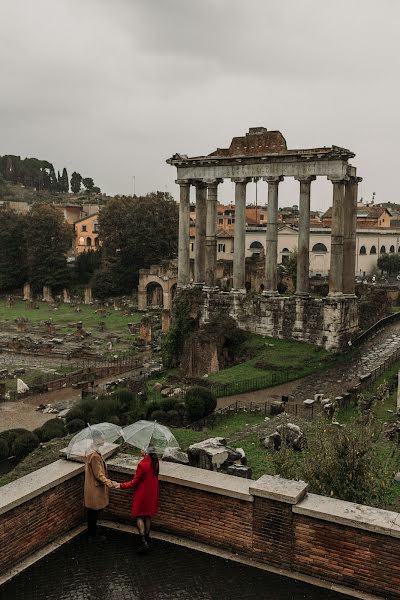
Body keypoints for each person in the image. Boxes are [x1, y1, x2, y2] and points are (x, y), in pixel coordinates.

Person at [116, 447, 159, 553]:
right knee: (148, 515)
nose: (140, 450)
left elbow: (134, 482)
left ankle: (143, 542)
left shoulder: (142, 464)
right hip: (152, 493)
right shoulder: (156, 461)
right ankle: (148, 538)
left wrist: (121, 485)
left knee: (139, 516)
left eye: (142, 449)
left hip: (142, 494)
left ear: (146, 451)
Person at [84, 430, 118, 543]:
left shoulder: (92, 451)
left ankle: (92, 533)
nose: (104, 440)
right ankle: (92, 536)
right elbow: (99, 475)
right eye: (102, 438)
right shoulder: (94, 455)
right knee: (94, 512)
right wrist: (111, 483)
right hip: (95, 489)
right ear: (96, 438)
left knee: (92, 512)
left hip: (92, 487)